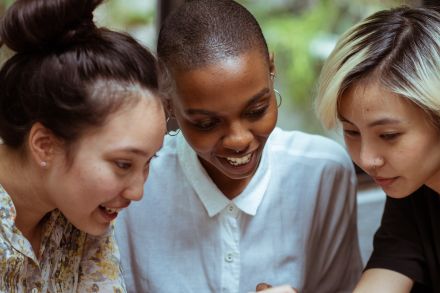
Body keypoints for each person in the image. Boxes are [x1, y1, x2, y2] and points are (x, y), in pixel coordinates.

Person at [115, 1, 362, 292]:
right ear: (168, 102)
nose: (239, 140)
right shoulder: (133, 191)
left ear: (271, 69)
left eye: (256, 110)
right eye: (207, 124)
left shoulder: (323, 173)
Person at [0, 0, 166, 291]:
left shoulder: (79, 217)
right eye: (123, 164)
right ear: (44, 145)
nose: (137, 192)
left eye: (148, 162)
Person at [315, 5, 440, 293]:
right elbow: (385, 276)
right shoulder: (413, 187)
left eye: (389, 135)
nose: (367, 160)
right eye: (351, 132)